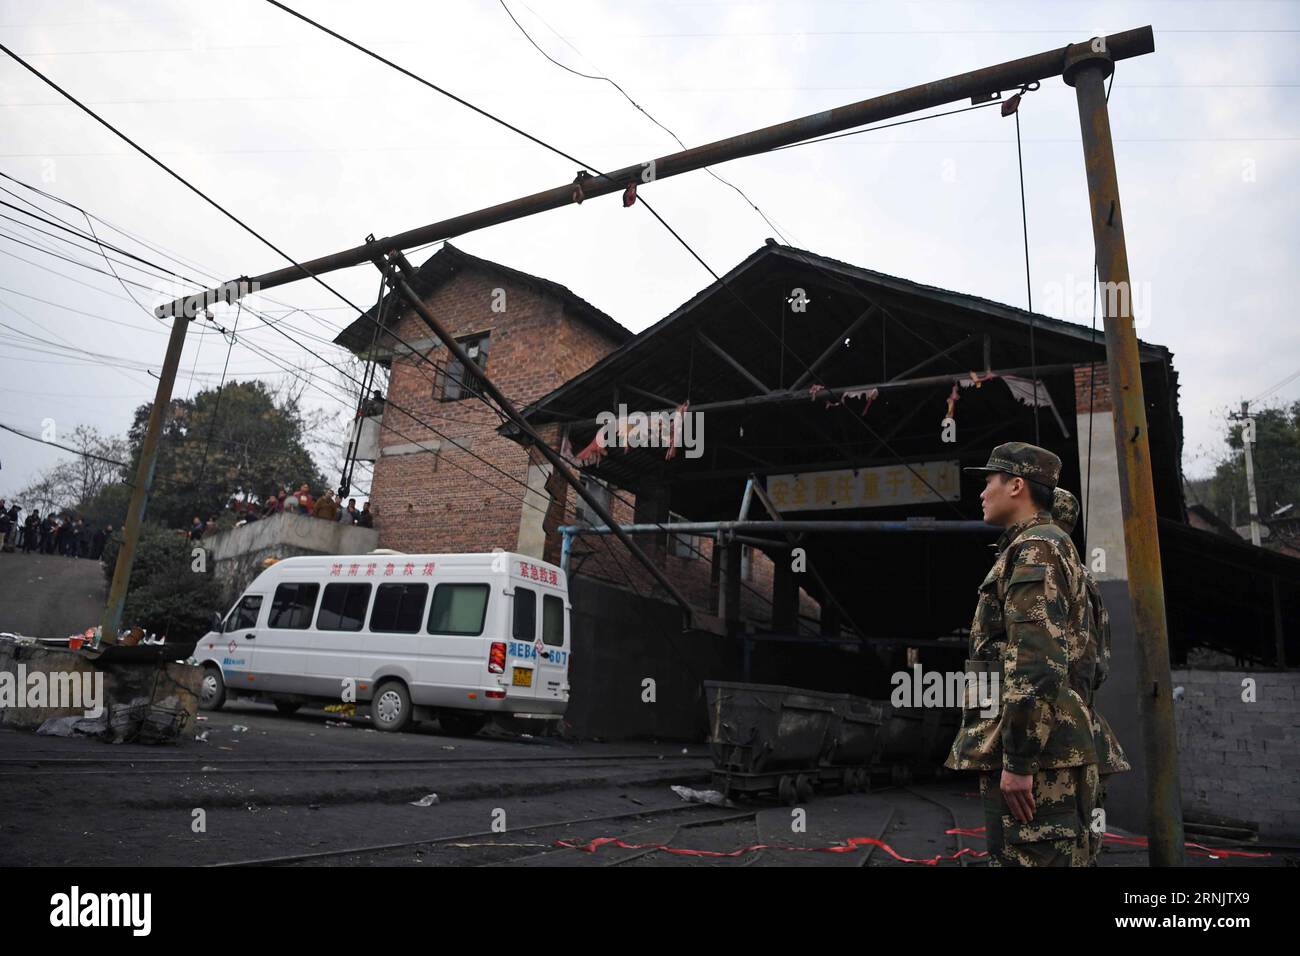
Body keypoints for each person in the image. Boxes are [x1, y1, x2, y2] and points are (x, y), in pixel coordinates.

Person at [943, 442, 1100, 867]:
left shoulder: (1036, 550)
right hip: (1052, 749)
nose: (981, 492)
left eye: (989, 480)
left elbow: (1035, 663)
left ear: (1016, 485)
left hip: (1041, 760)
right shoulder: (1044, 547)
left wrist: (1019, 760)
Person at [1050, 486, 1131, 864]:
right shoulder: (1088, 582)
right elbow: (1102, 667)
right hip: (1086, 729)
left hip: (1055, 736)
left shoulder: (1047, 568)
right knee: (1084, 833)